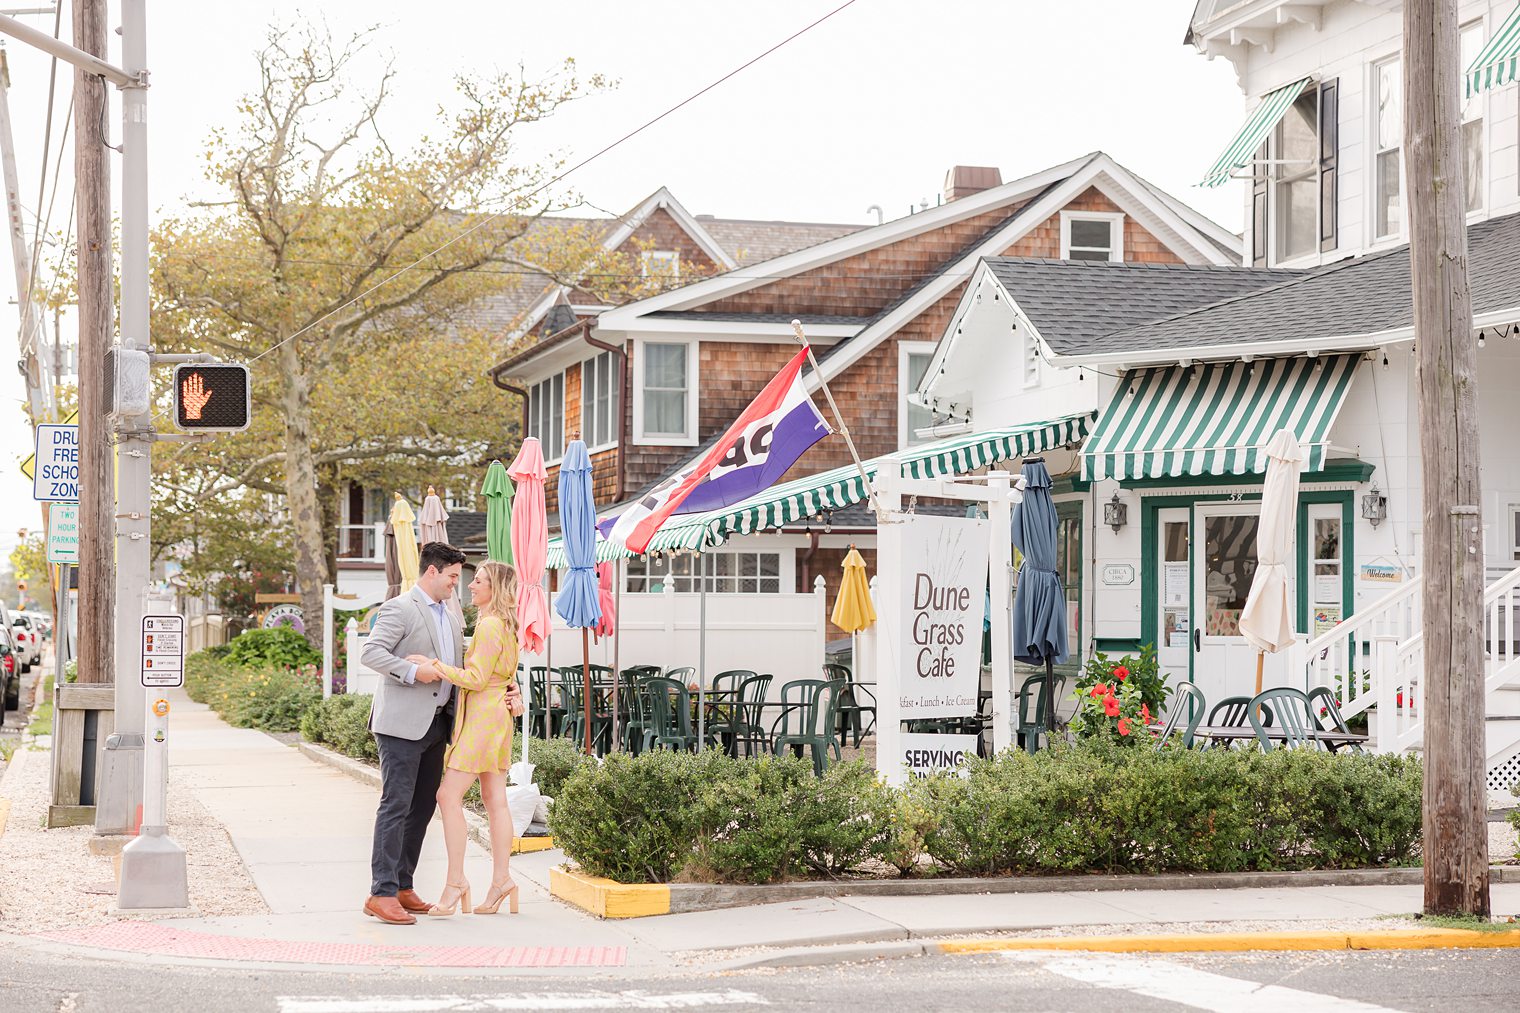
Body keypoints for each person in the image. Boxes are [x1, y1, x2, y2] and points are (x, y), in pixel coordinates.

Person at [359, 541, 467, 926]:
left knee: (422, 809)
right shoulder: (400, 608)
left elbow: (460, 663)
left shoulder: (452, 617)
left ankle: (404, 885)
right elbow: (371, 653)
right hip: (401, 726)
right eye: (452, 576)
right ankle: (381, 891)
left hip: (439, 724)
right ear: (432, 571)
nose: (457, 583)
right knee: (396, 805)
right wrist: (412, 671)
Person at [409, 560, 525, 916]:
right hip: (497, 716)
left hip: (483, 719)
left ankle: (456, 880)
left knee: (447, 795)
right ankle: (501, 881)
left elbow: (475, 678)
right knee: (495, 800)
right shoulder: (505, 624)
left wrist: (434, 666)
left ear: (496, 588)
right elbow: (501, 673)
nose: (471, 586)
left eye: (479, 581)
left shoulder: (490, 625)